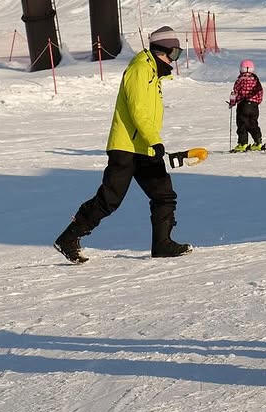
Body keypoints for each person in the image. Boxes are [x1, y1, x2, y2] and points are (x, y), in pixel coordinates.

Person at [53, 26, 192, 263]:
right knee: (110, 199)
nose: (174, 60)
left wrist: (151, 142)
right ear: (162, 50)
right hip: (127, 147)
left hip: (143, 147)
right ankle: (69, 237)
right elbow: (138, 111)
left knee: (164, 195)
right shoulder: (140, 70)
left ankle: (162, 244)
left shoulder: (152, 72)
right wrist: (155, 140)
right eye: (175, 53)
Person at [228, 58, 265, 152]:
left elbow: (235, 92)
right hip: (254, 106)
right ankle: (258, 142)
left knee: (242, 124)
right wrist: (257, 101)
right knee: (253, 123)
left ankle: (243, 143)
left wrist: (232, 102)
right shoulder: (256, 80)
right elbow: (260, 91)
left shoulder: (240, 80)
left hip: (243, 105)